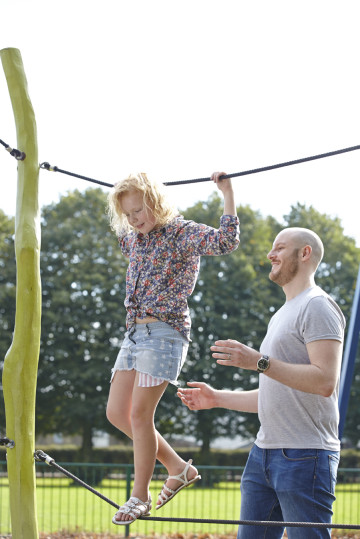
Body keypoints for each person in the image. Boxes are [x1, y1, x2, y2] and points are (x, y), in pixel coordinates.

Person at [178, 227, 346, 539]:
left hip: (305, 455)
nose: (270, 254)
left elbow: (325, 381)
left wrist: (259, 362)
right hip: (262, 453)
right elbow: (275, 393)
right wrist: (217, 398)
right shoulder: (281, 314)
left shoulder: (318, 306)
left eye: (280, 248)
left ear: (305, 253)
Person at [106, 171, 239, 525]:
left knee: (139, 415)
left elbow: (226, 241)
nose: (134, 220)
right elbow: (127, 239)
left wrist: (226, 192)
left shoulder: (181, 232)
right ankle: (178, 468)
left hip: (164, 333)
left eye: (139, 210)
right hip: (133, 334)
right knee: (117, 413)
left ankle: (140, 496)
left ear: (157, 203)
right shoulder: (132, 240)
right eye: (128, 214)